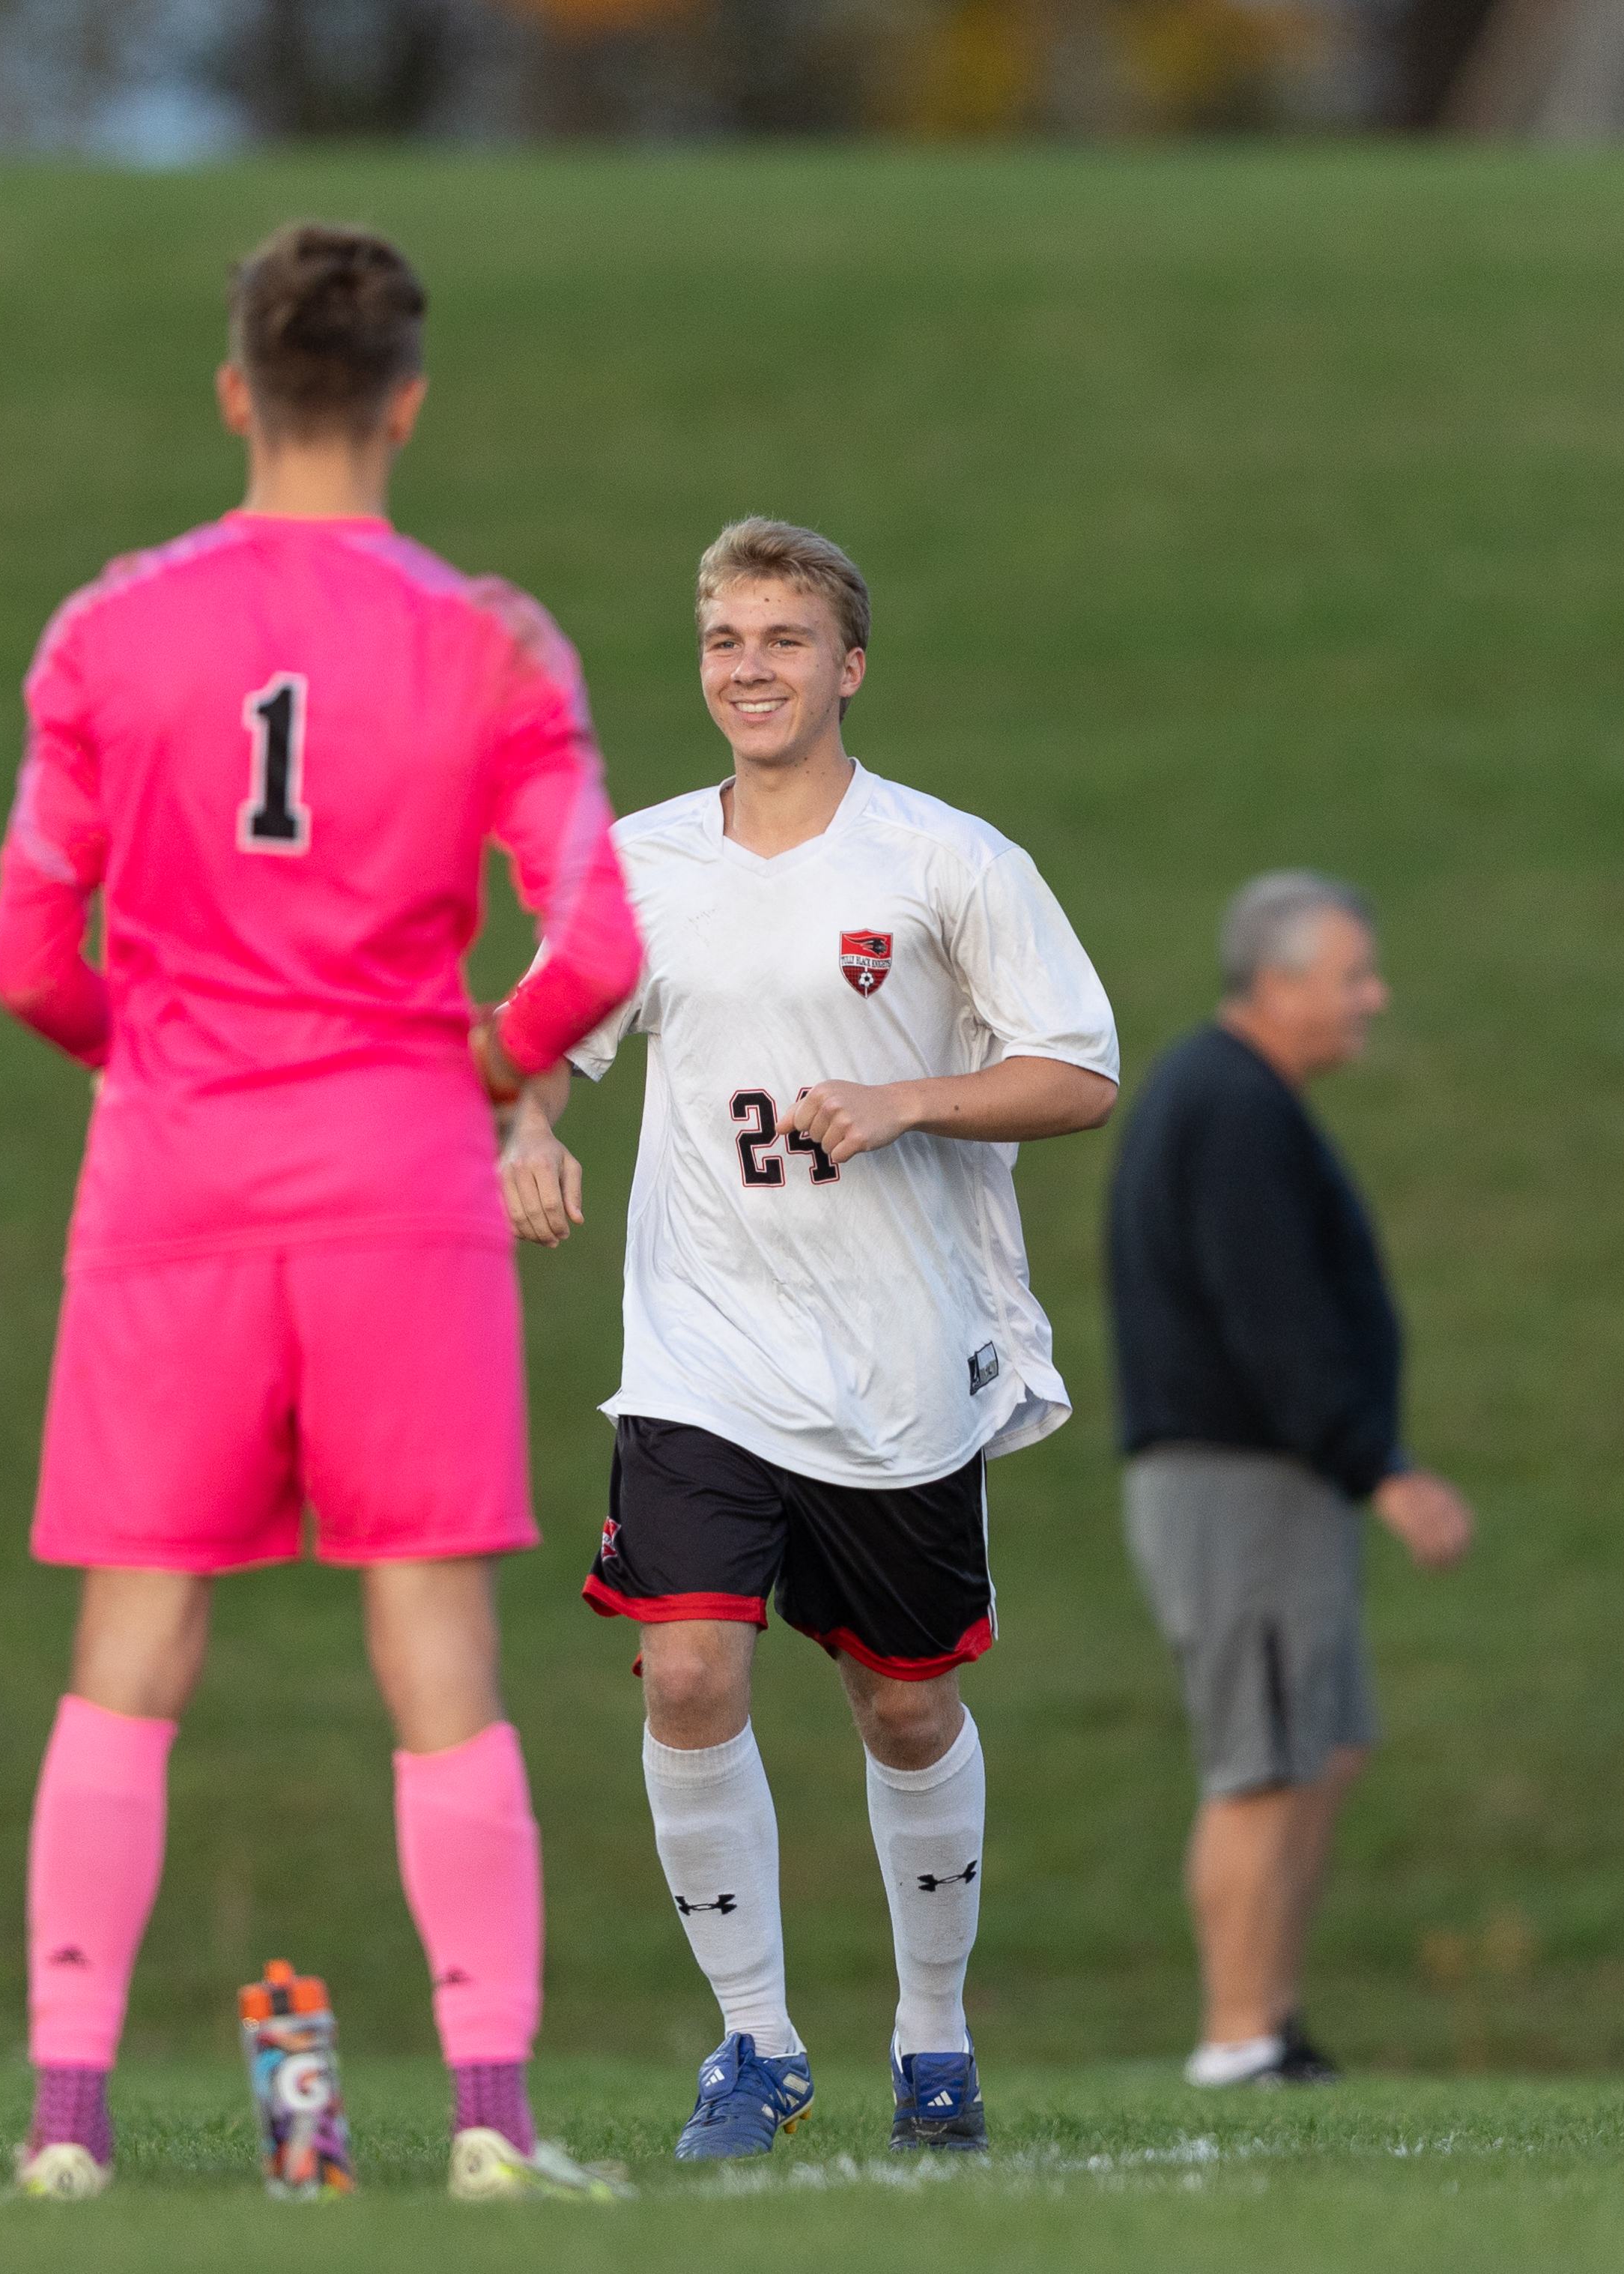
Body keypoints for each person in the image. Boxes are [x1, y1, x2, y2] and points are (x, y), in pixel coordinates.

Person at [0, 220, 645, 2204]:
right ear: (407, 404)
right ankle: (493, 2123)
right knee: (432, 1634)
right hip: (397, 1180)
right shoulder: (493, 639)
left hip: (175, 1173)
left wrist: (162, 1052)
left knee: (133, 1638)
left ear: (235, 395)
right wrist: (482, 1058)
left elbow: (31, 952)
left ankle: (64, 2125)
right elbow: (596, 941)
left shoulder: (109, 626)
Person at [500, 517, 1118, 2161]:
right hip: (700, 1351)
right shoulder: (636, 861)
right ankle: (754, 2041)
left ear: (846, 666)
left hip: (901, 1363)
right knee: (686, 1665)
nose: (750, 670)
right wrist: (530, 1128)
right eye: (724, 642)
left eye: (782, 641)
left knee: (902, 1709)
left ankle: (933, 2036)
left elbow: (1080, 1068)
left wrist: (913, 1097)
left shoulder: (945, 864)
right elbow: (542, 1032)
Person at [1105, 869, 1473, 2089]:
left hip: (1275, 1479)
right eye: (1350, 977)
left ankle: (1271, 2017)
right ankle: (1233, 2037)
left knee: (1320, 1746)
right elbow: (1269, 1314)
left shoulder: (1242, 1099)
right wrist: (1377, 1465)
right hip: (1238, 1479)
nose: (1371, 999)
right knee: (1258, 1758)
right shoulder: (1228, 1104)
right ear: (1276, 983)